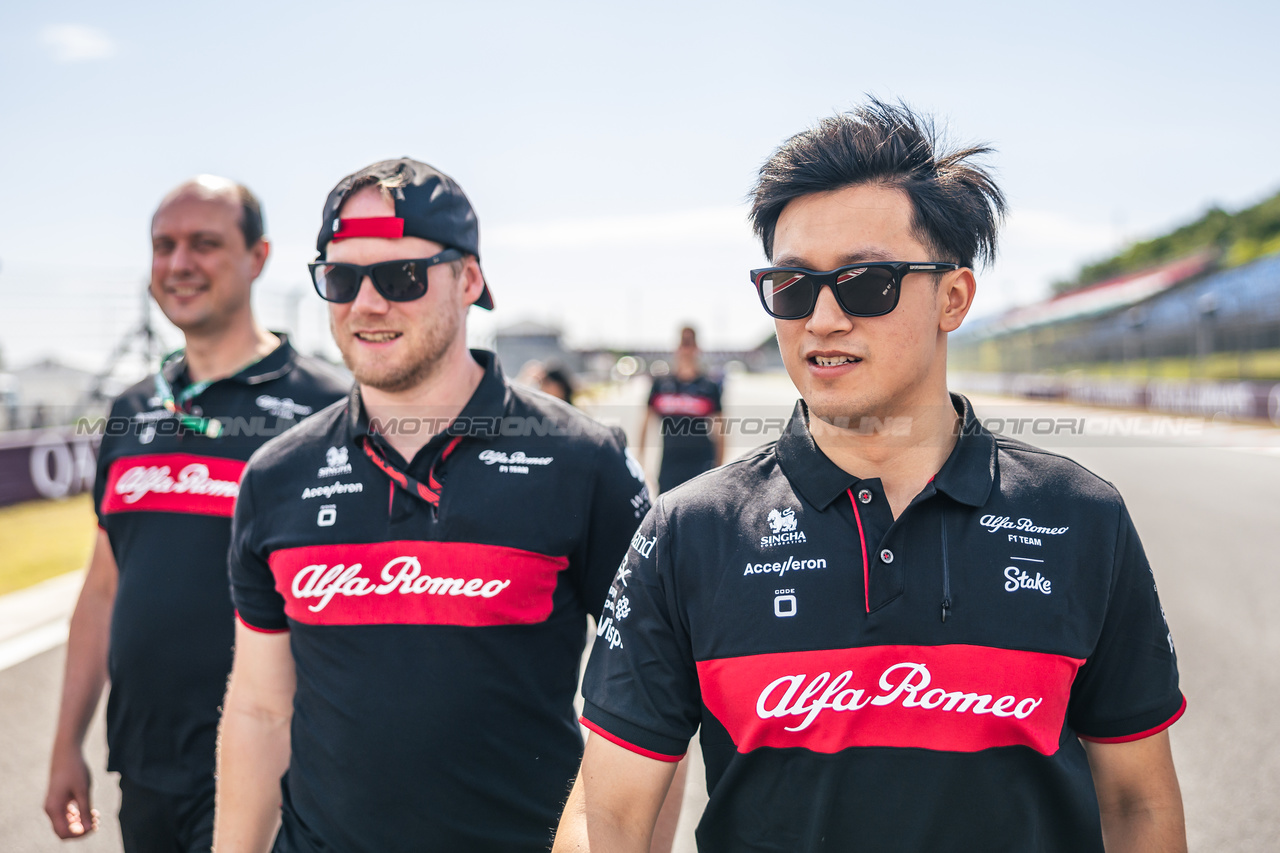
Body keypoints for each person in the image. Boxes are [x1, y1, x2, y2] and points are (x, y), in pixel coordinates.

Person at [556, 101, 1187, 852]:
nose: (821, 318)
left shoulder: (1082, 516)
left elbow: (1139, 804)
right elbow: (610, 815)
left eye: (866, 283)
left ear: (953, 297)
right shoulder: (688, 531)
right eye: (791, 286)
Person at [214, 158, 650, 853]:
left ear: (469, 279)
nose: (366, 304)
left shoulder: (583, 460)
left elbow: (648, 707)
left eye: (400, 277)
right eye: (341, 278)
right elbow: (261, 709)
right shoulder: (276, 474)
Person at [44, 176, 349, 852]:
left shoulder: (328, 410)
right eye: (164, 245)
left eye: (205, 244)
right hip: (148, 769)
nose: (179, 263)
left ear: (258, 257)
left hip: (283, 769)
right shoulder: (130, 408)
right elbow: (103, 586)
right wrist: (67, 744)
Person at [640, 326, 724, 494]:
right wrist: (641, 463)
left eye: (690, 343)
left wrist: (720, 468)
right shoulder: (661, 385)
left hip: (702, 466)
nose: (687, 349)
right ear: (677, 347)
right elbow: (645, 424)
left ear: (697, 348)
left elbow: (720, 431)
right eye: (683, 343)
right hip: (669, 467)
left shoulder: (709, 387)